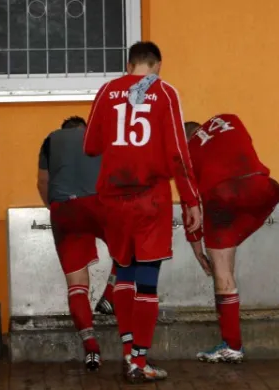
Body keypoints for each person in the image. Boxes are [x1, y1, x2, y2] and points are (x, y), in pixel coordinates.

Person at [83, 41, 202, 383]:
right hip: (150, 199)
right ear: (157, 65)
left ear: (129, 63)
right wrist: (192, 199)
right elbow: (179, 151)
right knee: (147, 280)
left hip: (113, 199)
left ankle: (126, 352)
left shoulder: (107, 90)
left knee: (123, 273)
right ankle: (140, 361)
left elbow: (91, 146)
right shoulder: (164, 93)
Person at [181, 115, 279, 364]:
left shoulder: (186, 152)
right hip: (264, 188)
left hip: (222, 197)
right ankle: (227, 250)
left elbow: (189, 201)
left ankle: (232, 345)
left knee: (222, 270)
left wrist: (197, 246)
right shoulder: (228, 119)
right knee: (227, 248)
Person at [37, 115, 116, 371]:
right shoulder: (100, 136)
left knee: (77, 284)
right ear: (85, 129)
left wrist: (57, 207)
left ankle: (91, 347)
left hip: (64, 209)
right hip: (98, 202)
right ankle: (110, 295)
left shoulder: (50, 140)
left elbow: (42, 182)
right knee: (131, 250)